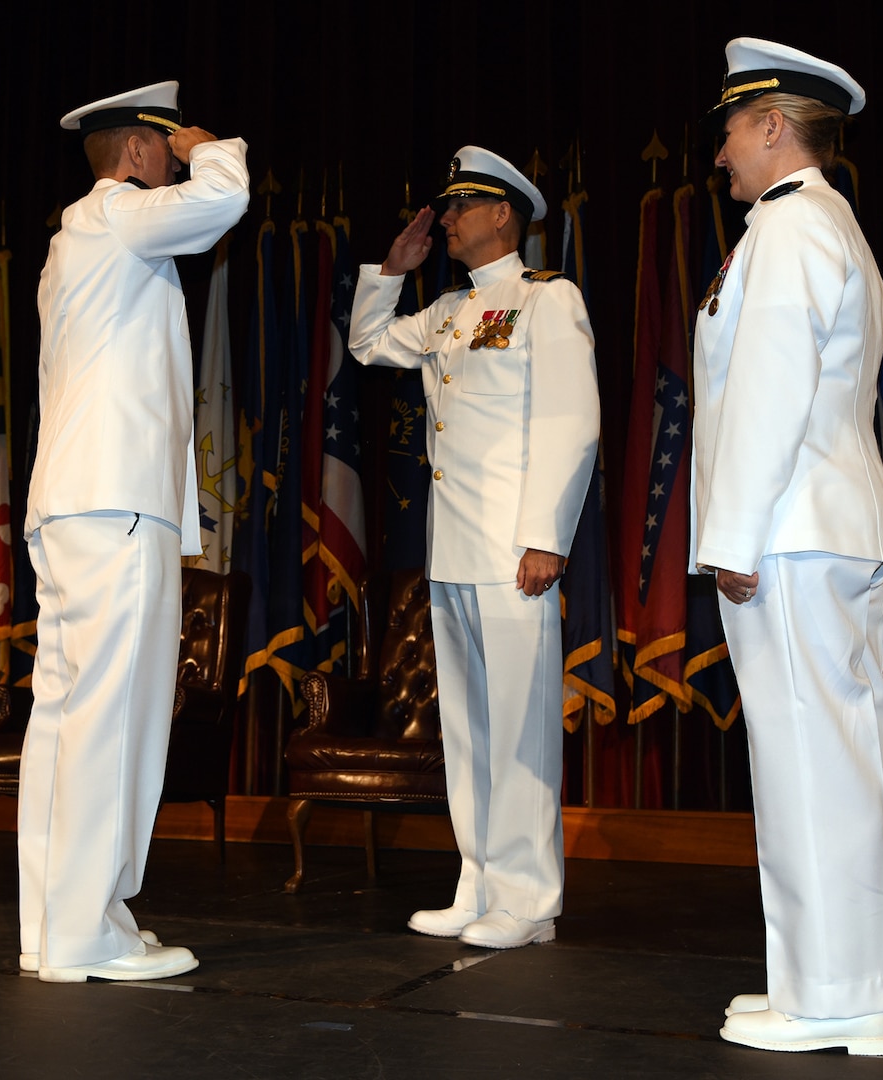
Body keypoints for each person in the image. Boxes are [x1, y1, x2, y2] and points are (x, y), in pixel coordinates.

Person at [688, 39, 883, 1054]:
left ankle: (838, 998)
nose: (721, 152)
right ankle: (826, 984)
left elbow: (769, 398)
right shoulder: (820, 224)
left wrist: (730, 536)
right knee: (820, 761)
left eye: (732, 129)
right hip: (819, 525)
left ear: (772, 124)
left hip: (792, 528)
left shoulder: (788, 229)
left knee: (813, 765)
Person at [18, 80, 250, 983]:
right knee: (113, 717)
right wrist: (212, 145)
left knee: (64, 718)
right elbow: (223, 199)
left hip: (71, 505)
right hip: (116, 503)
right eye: (164, 144)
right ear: (142, 152)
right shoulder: (117, 214)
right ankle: (88, 934)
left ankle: (59, 921)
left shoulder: (70, 240)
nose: (172, 157)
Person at [348, 146, 599, 949]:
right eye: (445, 207)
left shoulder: (545, 302)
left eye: (461, 207)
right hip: (453, 548)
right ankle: (479, 880)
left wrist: (544, 539)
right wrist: (390, 270)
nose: (446, 219)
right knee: (468, 725)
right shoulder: (450, 311)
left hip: (514, 547)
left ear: (504, 215)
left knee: (521, 724)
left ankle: (528, 900)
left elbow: (570, 423)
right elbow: (367, 345)